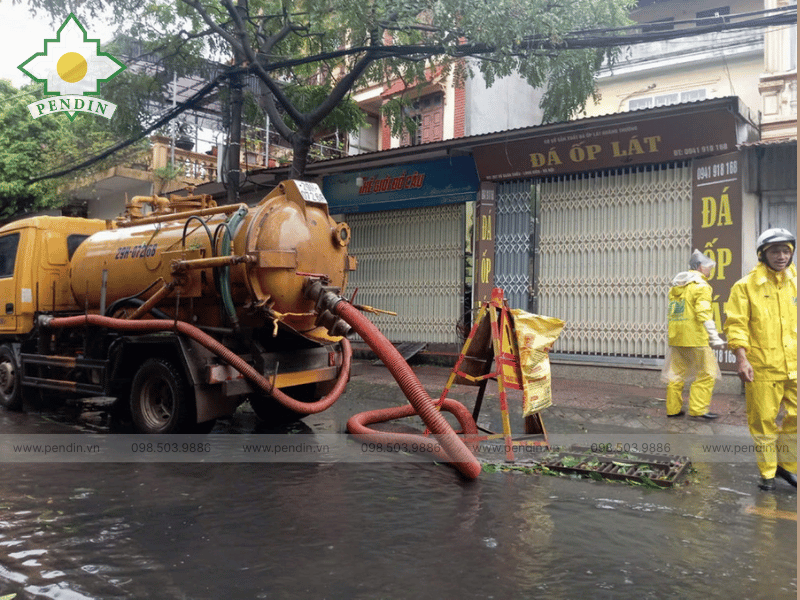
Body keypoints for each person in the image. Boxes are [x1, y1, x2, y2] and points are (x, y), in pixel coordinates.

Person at [724, 228, 797, 491]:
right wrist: (742, 359)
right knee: (764, 420)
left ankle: (786, 466)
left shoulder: (795, 282)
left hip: (795, 366)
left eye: (786, 251)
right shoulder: (745, 287)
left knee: (796, 417)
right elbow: (736, 325)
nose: (781, 256)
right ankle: (767, 471)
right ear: (762, 254)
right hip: (763, 367)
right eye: (775, 251)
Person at [662, 249, 726, 419]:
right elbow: (704, 312)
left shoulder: (677, 286)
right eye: (707, 267)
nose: (710, 271)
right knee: (707, 373)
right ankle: (698, 409)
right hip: (695, 338)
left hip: (677, 337)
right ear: (699, 267)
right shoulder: (701, 286)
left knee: (676, 373)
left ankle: (673, 409)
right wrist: (714, 336)